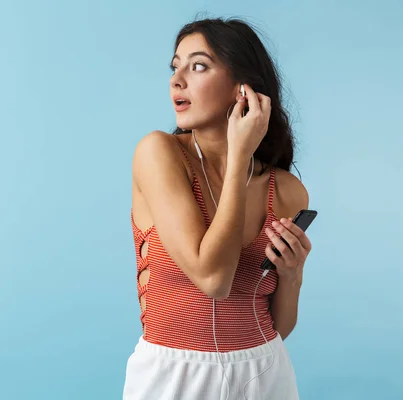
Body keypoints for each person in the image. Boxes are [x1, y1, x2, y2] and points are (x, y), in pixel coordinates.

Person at [123, 17, 313, 400]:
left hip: (265, 373)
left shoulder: (288, 191)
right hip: (172, 376)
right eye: (174, 66)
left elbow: (278, 326)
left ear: (242, 89)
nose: (177, 79)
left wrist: (292, 277)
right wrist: (240, 152)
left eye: (198, 65)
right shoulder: (158, 154)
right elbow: (213, 280)